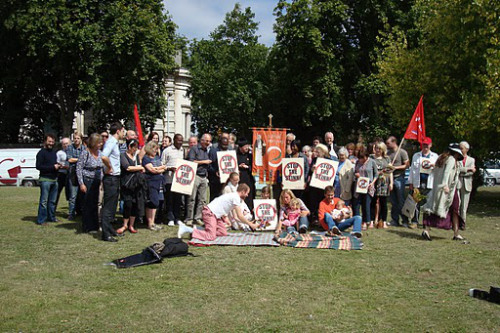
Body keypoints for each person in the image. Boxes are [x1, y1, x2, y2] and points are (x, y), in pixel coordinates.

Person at [177, 184, 258, 240]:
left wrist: (226, 219)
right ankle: (188, 230)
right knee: (210, 236)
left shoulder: (234, 197)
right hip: (209, 213)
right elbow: (240, 216)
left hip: (215, 215)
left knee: (223, 232)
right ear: (243, 191)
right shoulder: (236, 197)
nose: (247, 195)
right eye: (247, 193)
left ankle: (201, 229)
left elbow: (235, 216)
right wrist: (250, 224)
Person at [422, 143, 465, 241]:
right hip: (447, 190)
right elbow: (447, 173)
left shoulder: (442, 158)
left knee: (433, 208)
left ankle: (427, 230)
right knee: (454, 209)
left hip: (441, 189)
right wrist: (445, 185)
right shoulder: (450, 160)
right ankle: (455, 233)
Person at [101, 122, 125, 242]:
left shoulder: (114, 143)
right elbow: (104, 156)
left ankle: (110, 229)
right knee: (108, 205)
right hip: (111, 178)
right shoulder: (111, 142)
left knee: (113, 205)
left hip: (115, 178)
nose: (123, 133)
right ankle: (105, 233)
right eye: (123, 131)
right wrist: (109, 168)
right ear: (118, 131)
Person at [407, 137, 439, 228]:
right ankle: (414, 222)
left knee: (428, 203)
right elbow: (412, 170)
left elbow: (439, 170)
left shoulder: (435, 156)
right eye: (424, 144)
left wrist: (434, 166)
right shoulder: (416, 156)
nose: (425, 146)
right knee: (416, 202)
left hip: (430, 182)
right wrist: (411, 183)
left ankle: (427, 223)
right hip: (418, 181)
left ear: (430, 145)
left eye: (427, 145)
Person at [117, 139, 146, 234]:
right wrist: (140, 167)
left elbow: (139, 166)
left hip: (136, 184)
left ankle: (131, 225)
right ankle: (124, 224)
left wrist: (140, 168)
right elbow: (127, 167)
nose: (135, 150)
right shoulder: (123, 156)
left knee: (135, 204)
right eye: (134, 147)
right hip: (127, 184)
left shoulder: (136, 156)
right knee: (128, 204)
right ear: (129, 147)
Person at [76, 133, 104, 234]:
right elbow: (78, 169)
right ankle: (87, 226)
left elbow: (101, 168)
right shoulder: (85, 153)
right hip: (87, 180)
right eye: (99, 142)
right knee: (87, 204)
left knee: (95, 204)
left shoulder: (100, 153)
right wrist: (81, 184)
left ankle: (95, 226)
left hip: (97, 181)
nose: (101, 144)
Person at [186, 133, 212, 225]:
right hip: (195, 175)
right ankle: (189, 218)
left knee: (202, 199)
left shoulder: (207, 150)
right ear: (202, 140)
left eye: (209, 141)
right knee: (191, 198)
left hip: (204, 176)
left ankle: (198, 217)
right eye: (207, 141)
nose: (209, 143)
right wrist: (204, 162)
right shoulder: (194, 149)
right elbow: (191, 161)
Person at [35, 133, 60, 225]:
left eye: (52, 142)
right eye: (49, 141)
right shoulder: (41, 153)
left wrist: (58, 165)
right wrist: (52, 167)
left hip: (54, 180)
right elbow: (38, 166)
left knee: (52, 201)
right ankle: (41, 220)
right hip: (45, 180)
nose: (51, 143)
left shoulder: (54, 152)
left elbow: (54, 164)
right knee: (44, 202)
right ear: (45, 141)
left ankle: (51, 217)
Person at [161, 133, 185, 226]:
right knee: (170, 200)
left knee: (178, 200)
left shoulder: (183, 151)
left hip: (179, 180)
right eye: (178, 140)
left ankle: (177, 217)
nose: (180, 142)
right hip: (169, 179)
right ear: (174, 140)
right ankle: (170, 218)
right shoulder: (167, 151)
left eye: (181, 141)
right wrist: (169, 168)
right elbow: (162, 164)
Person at [142, 141, 166, 231]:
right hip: (150, 183)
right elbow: (152, 170)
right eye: (154, 149)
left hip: (158, 183)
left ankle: (153, 222)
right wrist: (161, 169)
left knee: (156, 203)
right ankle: (150, 223)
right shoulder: (146, 158)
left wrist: (158, 169)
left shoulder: (157, 157)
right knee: (152, 202)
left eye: (156, 149)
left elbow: (163, 167)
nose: (156, 151)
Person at [386, 136, 409, 227]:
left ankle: (405, 220)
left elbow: (406, 165)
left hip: (399, 177)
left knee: (401, 200)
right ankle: (394, 220)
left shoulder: (402, 152)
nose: (387, 145)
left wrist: (395, 167)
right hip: (390, 178)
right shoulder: (388, 153)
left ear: (394, 142)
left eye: (388, 143)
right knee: (393, 201)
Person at [352, 149, 378, 230]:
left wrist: (372, 183)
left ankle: (366, 222)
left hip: (368, 186)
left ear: (366, 157)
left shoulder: (372, 162)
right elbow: (355, 171)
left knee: (366, 204)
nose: (361, 160)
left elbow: (376, 174)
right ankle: (357, 221)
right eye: (359, 158)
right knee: (356, 204)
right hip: (359, 186)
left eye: (362, 158)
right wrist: (356, 174)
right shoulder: (357, 162)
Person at [370, 142, 393, 229]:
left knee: (384, 203)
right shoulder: (371, 158)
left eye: (379, 148)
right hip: (374, 182)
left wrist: (391, 183)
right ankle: (372, 221)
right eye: (376, 148)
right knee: (373, 201)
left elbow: (390, 171)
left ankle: (383, 221)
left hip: (384, 183)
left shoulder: (387, 159)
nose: (377, 150)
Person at [66, 132, 84, 220]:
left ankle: (81, 211)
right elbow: (70, 159)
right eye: (75, 138)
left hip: (82, 173)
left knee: (82, 195)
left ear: (81, 139)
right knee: (73, 195)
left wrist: (76, 160)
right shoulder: (69, 148)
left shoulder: (84, 148)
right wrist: (80, 159)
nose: (76, 140)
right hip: (72, 173)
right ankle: (71, 213)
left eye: (78, 138)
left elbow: (86, 159)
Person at [457, 141, 476, 223]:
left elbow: (472, 172)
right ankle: (455, 222)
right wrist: (467, 169)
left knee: (464, 206)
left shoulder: (471, 160)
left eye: (462, 148)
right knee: (457, 204)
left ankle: (463, 222)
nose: (460, 150)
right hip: (458, 183)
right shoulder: (457, 159)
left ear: (467, 149)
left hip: (467, 184)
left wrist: (464, 171)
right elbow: (457, 170)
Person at [208, 134, 230, 201]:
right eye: (223, 139)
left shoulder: (231, 149)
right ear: (220, 140)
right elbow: (209, 164)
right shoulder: (214, 150)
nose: (225, 141)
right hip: (215, 180)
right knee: (215, 198)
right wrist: (215, 171)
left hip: (228, 179)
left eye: (226, 139)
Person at [236, 137, 256, 210]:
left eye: (247, 145)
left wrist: (248, 167)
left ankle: (250, 210)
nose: (247, 147)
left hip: (249, 178)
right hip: (240, 179)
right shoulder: (236, 155)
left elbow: (255, 167)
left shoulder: (250, 156)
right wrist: (238, 166)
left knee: (249, 196)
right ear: (240, 147)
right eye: (245, 146)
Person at [55, 137, 70, 211]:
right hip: (61, 174)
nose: (65, 145)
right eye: (64, 144)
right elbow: (57, 163)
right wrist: (63, 166)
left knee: (70, 194)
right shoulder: (59, 153)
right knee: (57, 192)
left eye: (67, 143)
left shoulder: (72, 152)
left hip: (70, 175)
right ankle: (53, 210)